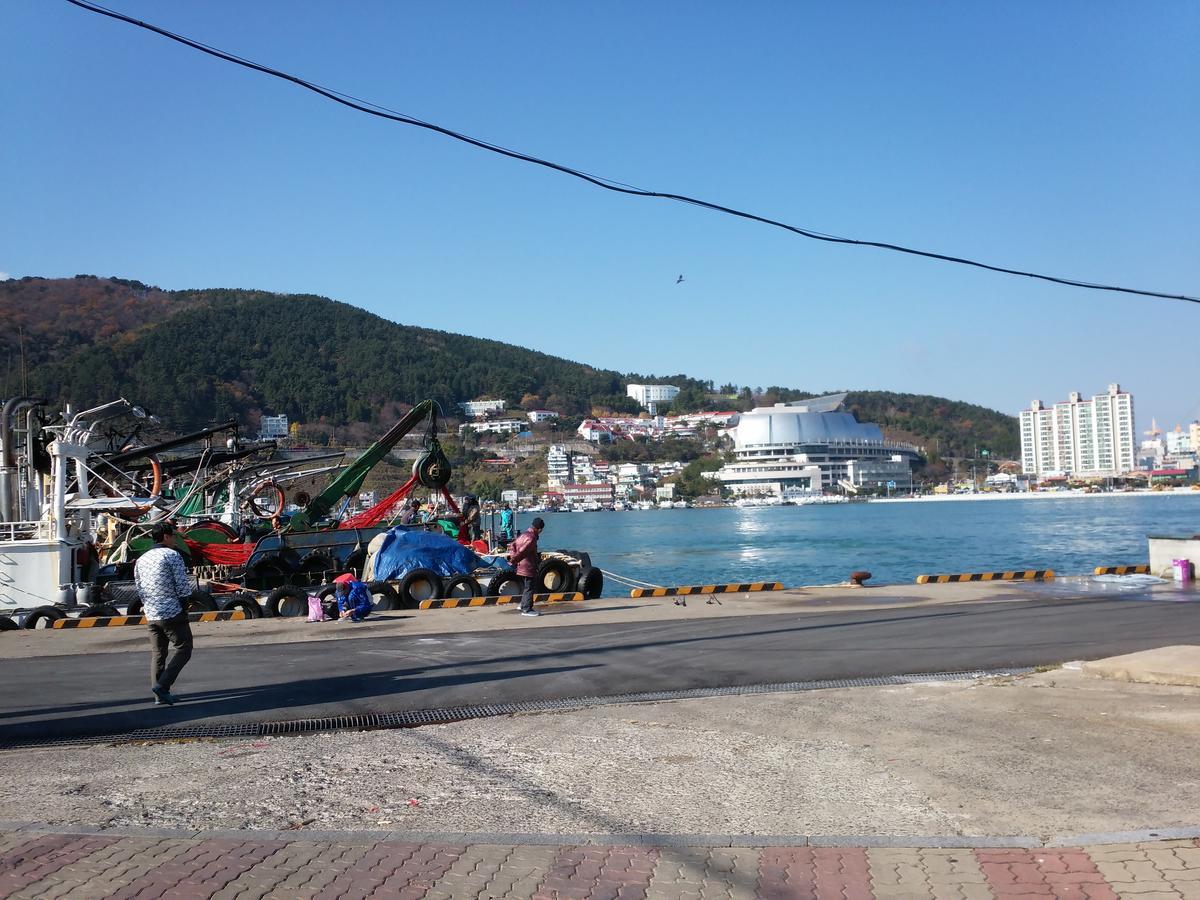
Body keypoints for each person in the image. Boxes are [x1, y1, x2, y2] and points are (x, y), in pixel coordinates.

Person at [134, 522, 194, 705]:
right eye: (173, 536)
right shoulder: (171, 555)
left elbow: (139, 587)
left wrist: (149, 606)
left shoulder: (141, 559)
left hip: (151, 613)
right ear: (166, 537)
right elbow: (182, 586)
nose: (175, 540)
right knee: (184, 648)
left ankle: (159, 696)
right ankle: (163, 685)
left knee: (158, 653)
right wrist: (184, 606)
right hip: (171, 611)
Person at [507, 516, 545, 617]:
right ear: (539, 529)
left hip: (522, 565)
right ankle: (527, 609)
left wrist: (513, 557)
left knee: (527, 586)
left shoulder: (524, 534)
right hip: (528, 566)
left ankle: (523, 604)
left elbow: (512, 545)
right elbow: (522, 551)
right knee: (530, 587)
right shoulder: (531, 538)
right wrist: (513, 560)